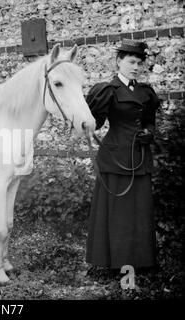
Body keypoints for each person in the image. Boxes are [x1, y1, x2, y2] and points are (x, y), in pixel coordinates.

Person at [85, 39, 160, 273]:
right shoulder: (108, 90)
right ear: (119, 62)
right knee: (116, 214)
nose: (135, 67)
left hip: (139, 156)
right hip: (116, 159)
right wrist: (83, 121)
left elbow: (149, 120)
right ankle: (113, 262)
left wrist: (150, 132)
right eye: (130, 62)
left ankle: (140, 262)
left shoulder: (146, 92)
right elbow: (95, 124)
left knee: (139, 211)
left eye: (139, 63)